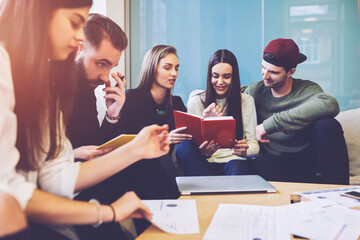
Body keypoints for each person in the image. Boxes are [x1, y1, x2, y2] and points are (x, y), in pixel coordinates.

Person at [0, 1, 170, 239]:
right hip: (26, 206)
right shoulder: (8, 69)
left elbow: (58, 173)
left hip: (50, 192)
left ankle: (170, 224)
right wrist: (107, 211)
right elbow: (10, 192)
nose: (79, 36)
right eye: (73, 23)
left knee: (146, 163)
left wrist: (136, 146)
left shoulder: (45, 86)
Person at [66, 15, 181, 239]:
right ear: (77, 48)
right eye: (101, 63)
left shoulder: (86, 91)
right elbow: (34, 163)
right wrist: (72, 153)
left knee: (148, 161)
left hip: (84, 173)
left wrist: (112, 114)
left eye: (111, 66)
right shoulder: (46, 88)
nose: (105, 76)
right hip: (67, 179)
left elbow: (95, 145)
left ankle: (166, 228)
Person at [244, 38, 348, 184]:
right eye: (263, 67)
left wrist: (270, 124)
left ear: (290, 72)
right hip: (269, 164)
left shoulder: (306, 89)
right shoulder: (256, 90)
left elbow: (330, 104)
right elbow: (236, 99)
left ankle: (339, 194)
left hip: (303, 162)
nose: (265, 75)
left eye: (273, 72)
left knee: (329, 125)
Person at [176, 49, 259, 176]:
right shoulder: (196, 100)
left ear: (234, 77)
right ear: (209, 76)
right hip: (204, 162)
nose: (220, 82)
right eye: (215, 76)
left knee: (238, 169)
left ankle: (216, 189)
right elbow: (189, 144)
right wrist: (201, 148)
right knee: (183, 148)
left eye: (226, 76)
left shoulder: (246, 101)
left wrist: (245, 150)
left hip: (234, 160)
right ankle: (209, 186)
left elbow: (254, 145)